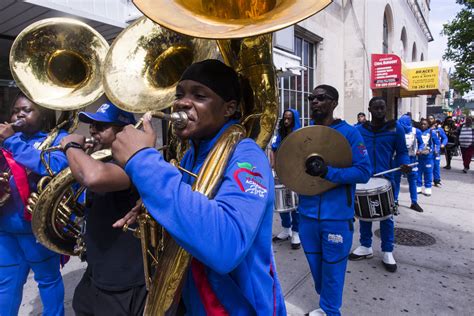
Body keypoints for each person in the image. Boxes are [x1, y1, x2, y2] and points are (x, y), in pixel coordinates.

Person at [111, 59, 286, 315]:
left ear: (229, 109)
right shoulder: (191, 155)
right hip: (198, 302)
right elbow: (187, 207)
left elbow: (227, 244)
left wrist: (143, 163)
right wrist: (151, 201)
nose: (181, 102)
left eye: (199, 95)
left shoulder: (247, 156)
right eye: (179, 94)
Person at [59, 101, 147, 316]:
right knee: (82, 305)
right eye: (92, 126)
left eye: (101, 127)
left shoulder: (131, 164)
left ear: (124, 132)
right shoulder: (101, 159)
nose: (92, 131)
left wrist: (71, 146)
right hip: (99, 267)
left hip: (121, 277)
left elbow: (94, 177)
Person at [299, 84, 371, 316]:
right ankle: (326, 302)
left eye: (321, 98)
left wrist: (328, 172)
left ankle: (330, 310)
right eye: (312, 98)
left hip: (337, 216)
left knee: (333, 267)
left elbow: (363, 171)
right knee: (317, 266)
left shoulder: (351, 133)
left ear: (334, 103)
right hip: (307, 214)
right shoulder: (305, 133)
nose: (315, 102)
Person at [0, 92, 67, 315]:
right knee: (6, 285)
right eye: (15, 110)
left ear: (43, 115)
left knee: (47, 281)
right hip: (5, 230)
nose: (19, 114)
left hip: (37, 230)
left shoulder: (57, 139)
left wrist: (12, 142)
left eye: (27, 110)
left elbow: (55, 167)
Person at [349, 97, 411, 273]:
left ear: (386, 109)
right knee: (364, 213)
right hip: (364, 177)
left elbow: (402, 153)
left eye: (382, 107)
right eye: (375, 108)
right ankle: (365, 246)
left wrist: (404, 164)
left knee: (387, 215)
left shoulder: (395, 128)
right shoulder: (359, 130)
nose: (379, 111)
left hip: (387, 178)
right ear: (369, 109)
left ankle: (387, 250)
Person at [271, 108, 301, 249]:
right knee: (283, 200)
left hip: (296, 173)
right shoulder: (280, 133)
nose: (287, 121)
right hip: (281, 171)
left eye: (290, 118)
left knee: (295, 203)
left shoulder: (299, 134)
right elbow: (274, 149)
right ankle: (286, 229)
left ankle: (296, 232)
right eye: (285, 118)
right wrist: (274, 167)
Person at [393, 114, 424, 212]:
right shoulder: (396, 131)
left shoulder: (416, 132)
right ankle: (395, 201)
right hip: (397, 158)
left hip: (411, 159)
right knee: (396, 180)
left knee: (412, 180)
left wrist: (420, 149)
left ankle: (414, 202)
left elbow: (422, 143)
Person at [417, 118, 440, 196]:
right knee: (418, 172)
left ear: (428, 125)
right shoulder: (418, 132)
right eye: (422, 124)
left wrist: (436, 151)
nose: (423, 125)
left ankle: (428, 188)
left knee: (428, 172)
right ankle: (418, 186)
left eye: (425, 124)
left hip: (428, 156)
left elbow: (437, 143)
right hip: (419, 156)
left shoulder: (432, 132)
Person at [428, 116, 447, 186]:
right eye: (429, 119)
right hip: (428, 151)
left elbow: (445, 138)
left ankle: (437, 180)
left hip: (436, 151)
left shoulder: (439, 130)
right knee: (429, 166)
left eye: (431, 119)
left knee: (436, 165)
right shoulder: (426, 129)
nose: (430, 120)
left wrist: (443, 144)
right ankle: (428, 181)